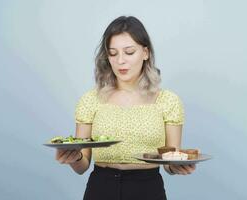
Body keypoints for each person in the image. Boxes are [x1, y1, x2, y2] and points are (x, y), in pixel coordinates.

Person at [55, 16, 196, 200]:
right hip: (100, 189)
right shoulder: (90, 100)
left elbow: (170, 160)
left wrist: (177, 166)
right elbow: (83, 164)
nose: (121, 61)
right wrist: (74, 158)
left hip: (148, 190)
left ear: (145, 53)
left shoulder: (168, 101)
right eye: (113, 53)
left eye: (129, 52)